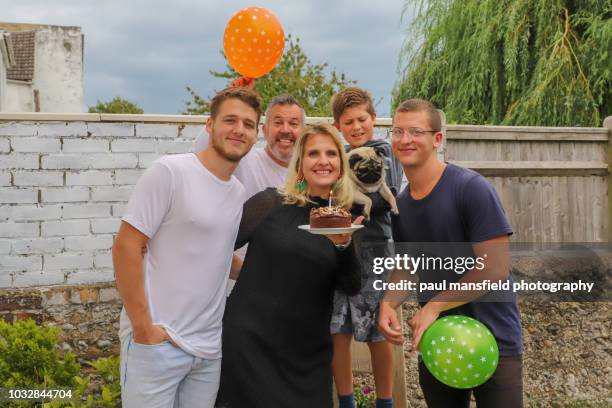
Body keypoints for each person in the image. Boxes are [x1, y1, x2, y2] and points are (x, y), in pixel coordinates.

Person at [112, 87, 262, 408]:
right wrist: (143, 328)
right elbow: (126, 245)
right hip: (158, 343)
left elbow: (219, 255)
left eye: (248, 124)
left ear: (256, 134)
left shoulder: (237, 192)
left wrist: (267, 274)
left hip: (208, 352)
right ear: (209, 125)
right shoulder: (170, 171)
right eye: (230, 120)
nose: (239, 130)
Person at [378, 99, 523, 407]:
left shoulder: (470, 188)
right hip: (437, 343)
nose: (405, 140)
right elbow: (407, 269)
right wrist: (388, 304)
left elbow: (495, 267)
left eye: (416, 131)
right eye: (398, 131)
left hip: (494, 340)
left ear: (437, 139)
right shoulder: (399, 206)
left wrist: (433, 306)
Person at [217, 124, 363, 408]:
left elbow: (351, 286)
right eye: (313, 154)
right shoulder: (270, 202)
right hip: (251, 343)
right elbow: (215, 246)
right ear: (300, 164)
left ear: (341, 166)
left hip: (308, 353)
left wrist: (343, 245)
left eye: (331, 153)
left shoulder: (348, 218)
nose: (323, 160)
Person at [330, 87, 403, 408]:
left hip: (376, 253)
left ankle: (384, 401)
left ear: (374, 119)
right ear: (338, 126)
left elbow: (386, 197)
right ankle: (346, 401)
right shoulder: (339, 156)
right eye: (349, 122)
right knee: (337, 329)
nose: (357, 126)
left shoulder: (384, 152)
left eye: (362, 119)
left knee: (378, 331)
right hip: (341, 251)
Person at [194, 93, 305, 199]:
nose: (285, 130)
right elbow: (204, 150)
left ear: (304, 132)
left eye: (293, 124)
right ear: (264, 130)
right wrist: (231, 102)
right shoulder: (242, 158)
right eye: (278, 122)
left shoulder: (311, 171)